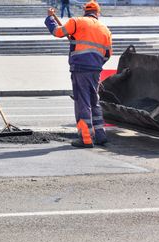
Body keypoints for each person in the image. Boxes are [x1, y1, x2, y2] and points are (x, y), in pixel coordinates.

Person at [45, 1, 112, 148]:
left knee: (83, 102)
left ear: (85, 11)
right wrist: (96, 64)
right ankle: (100, 135)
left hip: (80, 69)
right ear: (98, 13)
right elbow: (107, 54)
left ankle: (86, 138)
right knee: (94, 102)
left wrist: (50, 18)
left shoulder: (76, 22)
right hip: (95, 70)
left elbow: (58, 32)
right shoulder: (105, 29)